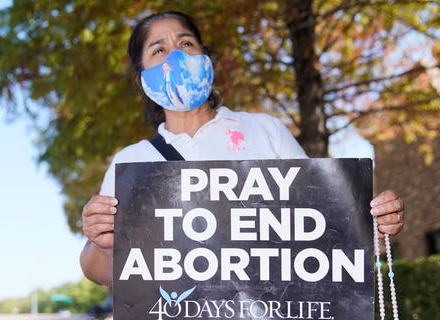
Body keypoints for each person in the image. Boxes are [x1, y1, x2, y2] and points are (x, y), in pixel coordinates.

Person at [80, 11, 405, 287]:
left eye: (186, 43)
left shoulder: (265, 131)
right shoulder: (132, 163)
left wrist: (372, 224)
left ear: (205, 58)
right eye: (159, 50)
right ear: (142, 80)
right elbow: (102, 273)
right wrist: (105, 245)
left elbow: (322, 227)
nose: (176, 55)